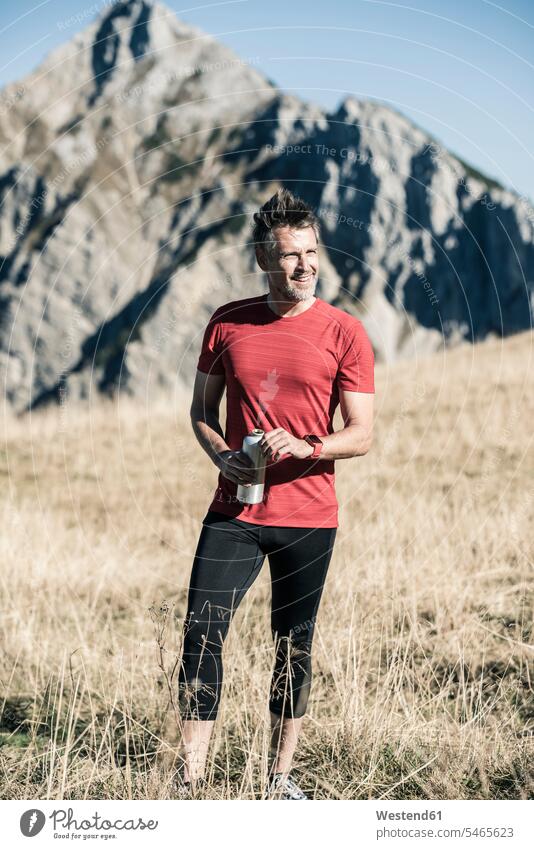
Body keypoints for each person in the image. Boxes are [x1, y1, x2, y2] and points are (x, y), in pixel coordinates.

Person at [173, 188, 375, 800]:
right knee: (201, 632)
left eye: (311, 252)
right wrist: (222, 456)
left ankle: (279, 779)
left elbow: (362, 435)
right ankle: (190, 778)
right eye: (290, 255)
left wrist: (308, 447)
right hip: (234, 511)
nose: (305, 265)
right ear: (265, 258)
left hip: (310, 517)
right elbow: (200, 413)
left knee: (294, 645)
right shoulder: (228, 322)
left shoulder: (345, 332)